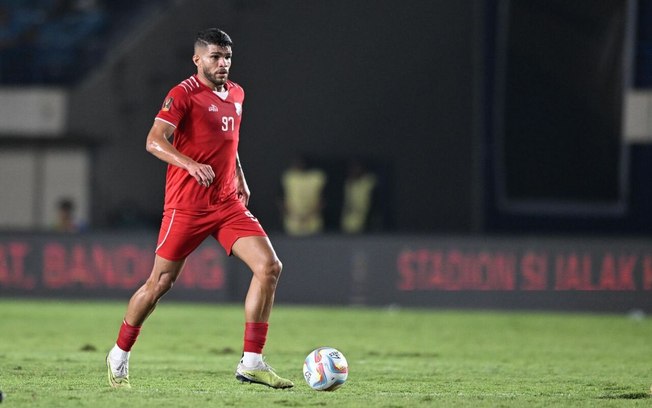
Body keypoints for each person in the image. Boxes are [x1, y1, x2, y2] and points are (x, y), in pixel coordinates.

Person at [105, 28, 293, 389]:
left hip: (225, 203)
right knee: (160, 283)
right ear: (197, 59)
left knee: (269, 267)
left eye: (227, 58)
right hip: (186, 206)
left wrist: (239, 174)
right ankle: (119, 353)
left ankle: (251, 361)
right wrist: (189, 163)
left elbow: (229, 138)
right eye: (215, 57)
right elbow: (153, 141)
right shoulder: (182, 94)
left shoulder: (236, 93)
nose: (222, 64)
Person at [280, 155, 327, 236]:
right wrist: (288, 213)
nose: (299, 165)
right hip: (292, 222)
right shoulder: (289, 177)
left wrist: (310, 215)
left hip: (313, 222)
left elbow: (323, 199)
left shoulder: (317, 177)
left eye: (301, 163)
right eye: (297, 163)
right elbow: (281, 199)